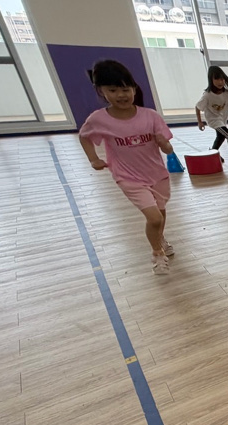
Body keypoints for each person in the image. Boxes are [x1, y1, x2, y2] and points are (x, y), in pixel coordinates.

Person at [79, 60, 176, 275]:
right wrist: (93, 159)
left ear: (134, 89)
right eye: (113, 90)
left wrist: (164, 144)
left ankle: (159, 238)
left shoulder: (150, 116)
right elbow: (84, 137)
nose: (121, 95)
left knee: (160, 214)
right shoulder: (99, 119)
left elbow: (168, 149)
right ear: (101, 91)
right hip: (128, 178)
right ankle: (157, 253)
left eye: (125, 89)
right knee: (154, 218)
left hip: (157, 175)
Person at [196, 66, 228, 170]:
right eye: (217, 79)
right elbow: (198, 107)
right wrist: (199, 122)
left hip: (222, 120)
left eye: (222, 79)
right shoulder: (207, 95)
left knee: (221, 137)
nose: (220, 82)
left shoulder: (226, 94)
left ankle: (213, 153)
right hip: (213, 120)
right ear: (211, 80)